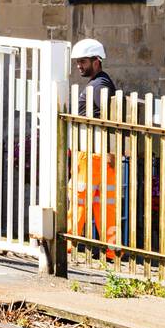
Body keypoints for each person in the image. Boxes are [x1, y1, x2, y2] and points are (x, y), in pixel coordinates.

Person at [68, 38, 119, 255]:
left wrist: (107, 149)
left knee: (78, 200)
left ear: (96, 61)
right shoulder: (100, 83)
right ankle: (112, 249)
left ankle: (67, 244)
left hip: (91, 155)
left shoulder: (98, 86)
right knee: (104, 205)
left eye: (83, 62)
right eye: (78, 62)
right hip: (99, 155)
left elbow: (108, 118)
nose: (79, 65)